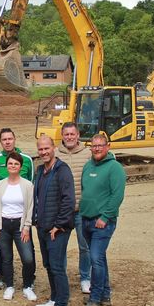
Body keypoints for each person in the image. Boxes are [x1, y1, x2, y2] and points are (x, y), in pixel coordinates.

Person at [80, 134, 126, 306]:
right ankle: (105, 294)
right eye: (94, 146)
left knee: (95, 258)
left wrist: (105, 217)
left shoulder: (114, 168)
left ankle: (95, 297)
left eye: (100, 145)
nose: (97, 148)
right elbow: (85, 190)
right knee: (99, 258)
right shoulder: (88, 165)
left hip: (102, 223)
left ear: (108, 146)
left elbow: (117, 195)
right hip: (87, 220)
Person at [32, 135, 75, 306]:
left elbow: (68, 200)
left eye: (46, 148)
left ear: (54, 148)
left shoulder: (62, 170)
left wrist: (59, 224)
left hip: (58, 229)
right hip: (43, 226)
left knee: (57, 266)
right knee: (48, 265)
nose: (43, 152)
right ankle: (54, 298)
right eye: (40, 149)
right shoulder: (40, 170)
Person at [0, 151, 36, 302]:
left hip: (20, 226)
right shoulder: (0, 185)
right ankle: (9, 285)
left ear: (21, 167)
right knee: (6, 257)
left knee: (28, 258)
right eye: (10, 163)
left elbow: (30, 207)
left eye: (16, 164)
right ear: (7, 165)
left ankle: (27, 286)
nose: (13, 166)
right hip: (3, 225)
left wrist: (27, 227)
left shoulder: (28, 185)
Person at [57, 122, 92, 294]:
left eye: (72, 134)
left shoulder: (87, 154)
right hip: (62, 212)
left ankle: (85, 277)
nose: (69, 137)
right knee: (60, 248)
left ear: (78, 135)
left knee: (84, 246)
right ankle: (60, 278)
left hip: (81, 210)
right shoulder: (55, 154)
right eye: (66, 134)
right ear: (62, 136)